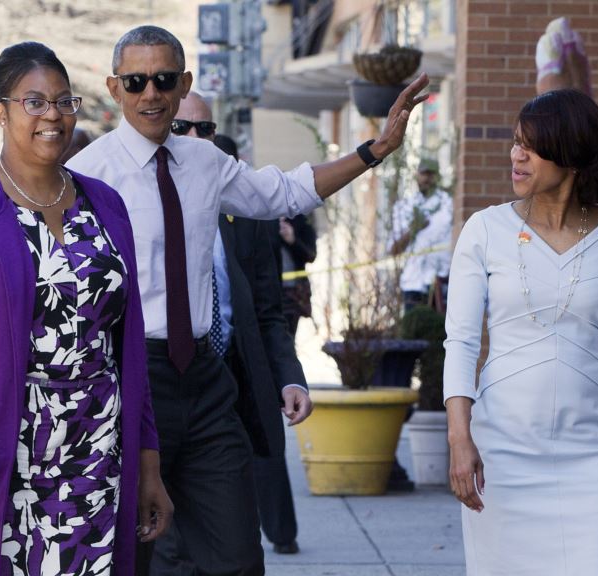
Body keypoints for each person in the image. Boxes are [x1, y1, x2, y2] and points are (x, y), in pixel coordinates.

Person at [67, 25, 427, 575]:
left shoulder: (204, 162)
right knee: (135, 555)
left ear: (183, 81)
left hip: (207, 384)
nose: (151, 94)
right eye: (136, 81)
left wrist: (373, 150)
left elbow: (284, 191)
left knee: (238, 557)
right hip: (132, 379)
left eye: (164, 80)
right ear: (115, 89)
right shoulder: (88, 175)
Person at [0, 42, 171, 576]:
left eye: (65, 102)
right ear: (1, 112)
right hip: (0, 447)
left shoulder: (104, 203)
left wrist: (148, 465)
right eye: (35, 102)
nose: (53, 116)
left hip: (96, 449)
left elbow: (126, 347)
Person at [443, 89, 598, 574]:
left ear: (571, 155)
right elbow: (462, 342)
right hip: (501, 458)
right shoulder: (484, 230)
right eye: (515, 142)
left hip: (595, 460)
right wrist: (459, 439)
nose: (516, 155)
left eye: (531, 145)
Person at [164, 97, 310, 562]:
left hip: (232, 383)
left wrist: (289, 376)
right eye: (181, 127)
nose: (194, 140)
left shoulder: (245, 213)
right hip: (163, 383)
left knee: (236, 545)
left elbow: (267, 311)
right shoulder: (133, 201)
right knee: (169, 544)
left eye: (204, 130)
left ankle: (278, 531)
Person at [388, 157, 452, 313]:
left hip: (441, 280)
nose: (427, 179)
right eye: (424, 174)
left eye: (431, 174)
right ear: (417, 175)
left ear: (437, 176)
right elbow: (393, 250)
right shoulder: (404, 207)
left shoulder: (449, 204)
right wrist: (413, 229)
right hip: (413, 282)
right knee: (412, 332)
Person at [276, 214, 317, 339]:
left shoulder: (301, 221)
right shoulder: (262, 220)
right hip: (268, 290)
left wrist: (292, 240)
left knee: (288, 336)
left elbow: (311, 255)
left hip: (292, 292)